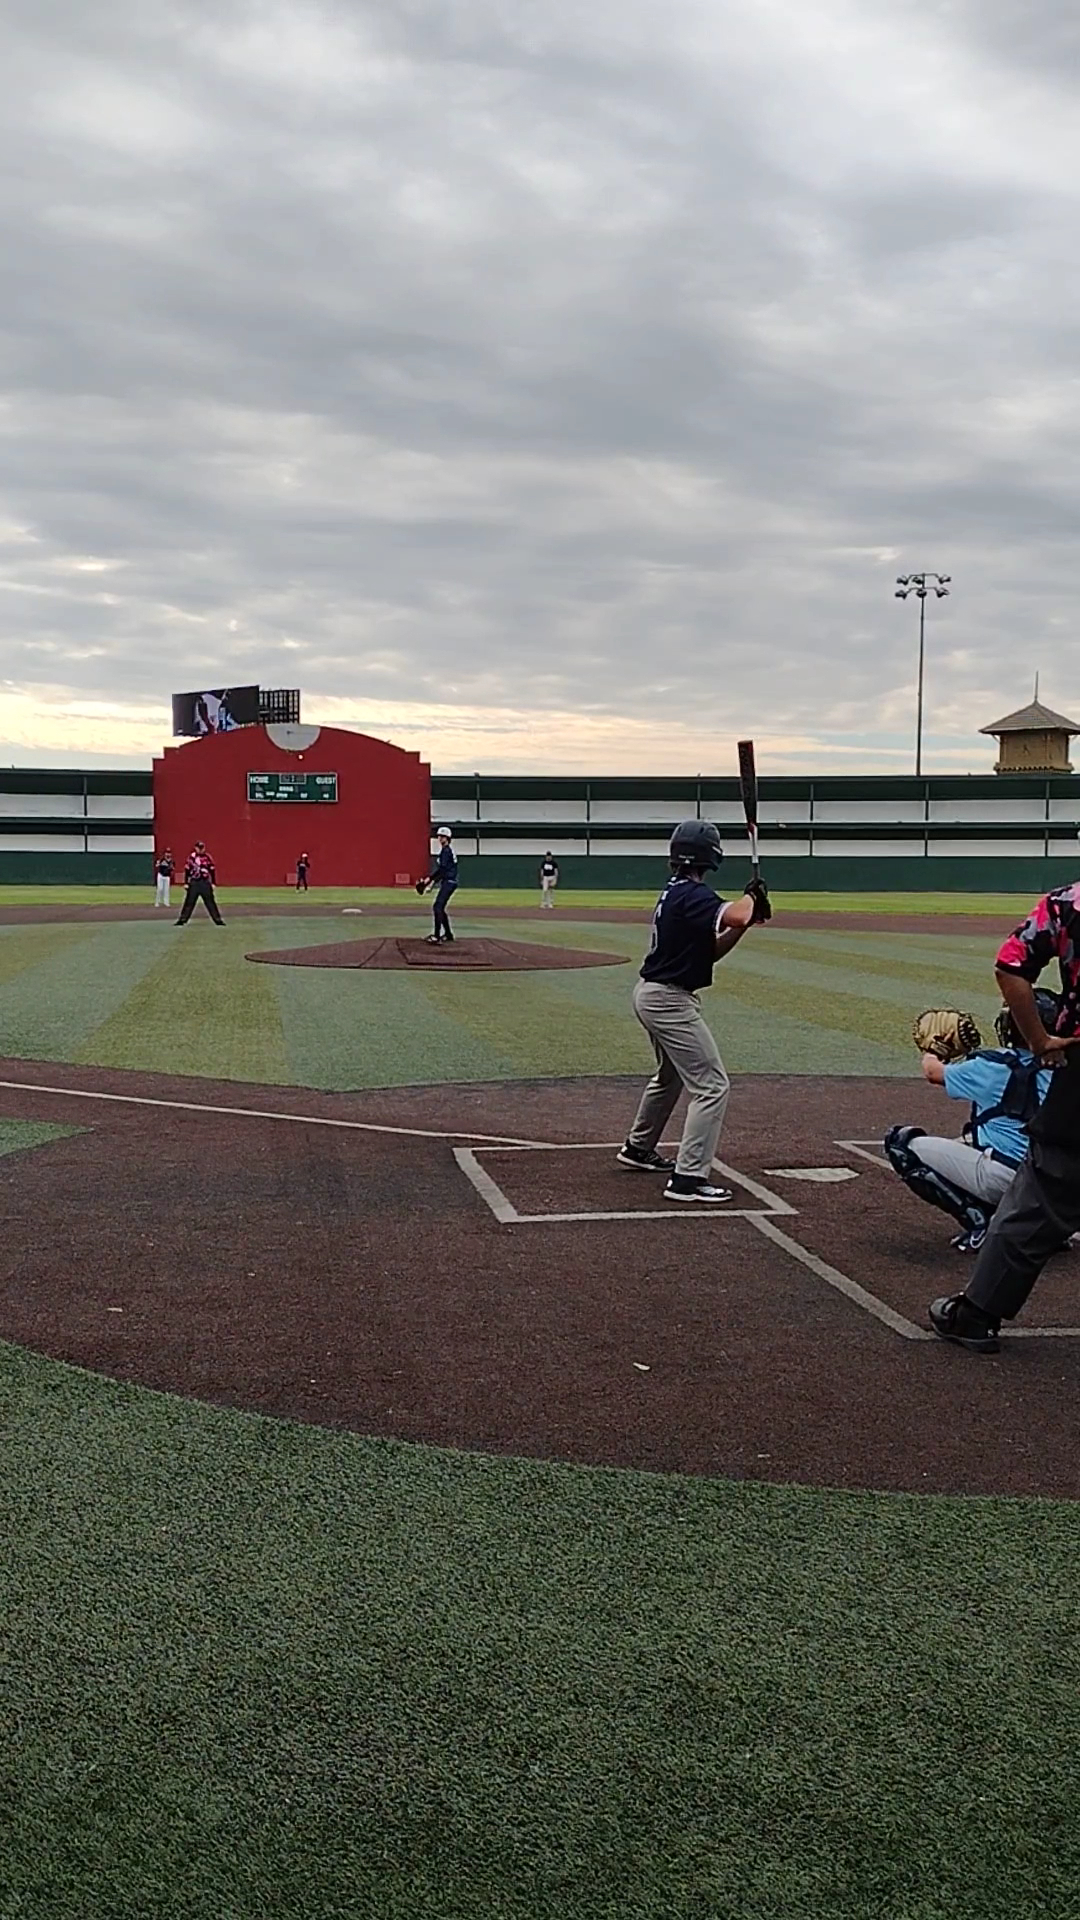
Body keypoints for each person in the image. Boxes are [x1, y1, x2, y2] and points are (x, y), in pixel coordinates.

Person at [928, 883, 1080, 1352]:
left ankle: (977, 1313)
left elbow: (1011, 966)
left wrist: (1039, 1042)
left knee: (1045, 1187)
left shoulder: (1068, 903)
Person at [618, 819, 770, 1203]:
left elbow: (710, 951)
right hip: (668, 1001)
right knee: (712, 1086)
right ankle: (687, 1178)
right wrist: (751, 899)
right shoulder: (692, 894)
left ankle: (638, 1147)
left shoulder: (677, 892)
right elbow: (737, 913)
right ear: (710, 856)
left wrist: (746, 920)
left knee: (671, 1076)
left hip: (653, 994)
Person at [885, 995, 1056, 1253]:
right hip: (1057, 1187)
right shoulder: (1067, 1070)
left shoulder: (991, 1066)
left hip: (1008, 1178)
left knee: (900, 1143)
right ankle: (1049, 1230)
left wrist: (935, 1049)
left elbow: (933, 1072)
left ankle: (980, 1222)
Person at [175, 842, 225, 926]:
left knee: (210, 902)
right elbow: (187, 870)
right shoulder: (192, 857)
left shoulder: (207, 857)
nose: (201, 850)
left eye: (202, 848)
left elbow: (212, 870)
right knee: (189, 902)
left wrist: (213, 883)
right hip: (194, 882)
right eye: (199, 848)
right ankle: (182, 919)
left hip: (205, 882)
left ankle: (217, 920)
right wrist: (186, 883)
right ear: (196, 848)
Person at [426, 827, 458, 944]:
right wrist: (430, 879)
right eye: (439, 836)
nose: (440, 838)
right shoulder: (446, 850)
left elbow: (442, 870)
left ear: (448, 838)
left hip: (449, 882)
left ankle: (436, 936)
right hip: (449, 882)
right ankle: (448, 934)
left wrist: (431, 882)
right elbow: (441, 870)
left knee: (437, 907)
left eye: (443, 836)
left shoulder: (446, 851)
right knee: (440, 907)